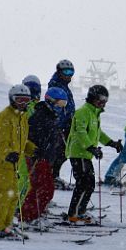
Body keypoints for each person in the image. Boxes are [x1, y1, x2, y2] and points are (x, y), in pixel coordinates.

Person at [0, 85, 36, 238]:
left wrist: (33, 150)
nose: (23, 104)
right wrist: (8, 154)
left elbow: (22, 140)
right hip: (2, 162)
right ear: (12, 99)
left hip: (14, 163)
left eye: (26, 100)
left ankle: (6, 225)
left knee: (14, 194)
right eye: (19, 100)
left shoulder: (22, 117)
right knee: (5, 193)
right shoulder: (4, 117)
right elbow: (0, 142)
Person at [65, 85, 122, 223]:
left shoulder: (94, 113)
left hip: (85, 154)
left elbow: (98, 134)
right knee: (84, 183)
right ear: (92, 98)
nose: (103, 103)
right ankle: (74, 214)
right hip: (79, 153)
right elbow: (80, 132)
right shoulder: (83, 112)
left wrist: (112, 143)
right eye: (100, 100)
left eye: (105, 100)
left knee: (89, 184)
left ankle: (80, 212)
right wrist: (91, 148)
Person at [20, 87, 68, 223]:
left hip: (45, 158)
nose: (61, 107)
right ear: (51, 101)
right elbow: (30, 136)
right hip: (38, 158)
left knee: (41, 188)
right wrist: (37, 151)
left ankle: (31, 214)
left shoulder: (49, 115)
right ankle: (30, 216)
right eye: (60, 103)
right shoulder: (41, 116)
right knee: (45, 189)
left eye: (64, 104)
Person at [48, 59, 77, 189]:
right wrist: (60, 122)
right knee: (59, 151)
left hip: (66, 124)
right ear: (59, 72)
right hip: (60, 125)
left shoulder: (63, 85)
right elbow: (56, 106)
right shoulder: (56, 85)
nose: (69, 75)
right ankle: (51, 176)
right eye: (66, 72)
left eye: (71, 72)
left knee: (63, 152)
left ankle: (53, 175)